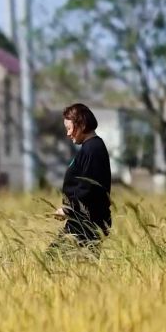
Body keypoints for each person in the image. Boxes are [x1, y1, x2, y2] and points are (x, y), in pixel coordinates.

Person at [53, 103, 112, 252]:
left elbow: (88, 186)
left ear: (82, 125)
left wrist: (68, 209)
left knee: (54, 260)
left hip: (87, 223)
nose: (68, 134)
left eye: (69, 128)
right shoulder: (89, 148)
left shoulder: (93, 149)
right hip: (80, 221)